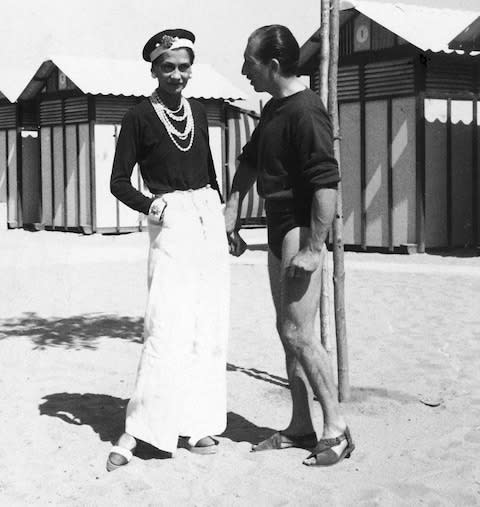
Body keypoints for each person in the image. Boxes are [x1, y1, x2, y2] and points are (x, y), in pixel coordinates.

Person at [224, 25, 355, 467]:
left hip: (301, 226)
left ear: (273, 65)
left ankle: (336, 429)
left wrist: (315, 247)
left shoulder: (307, 111)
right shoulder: (274, 109)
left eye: (250, 62)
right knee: (287, 333)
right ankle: (301, 426)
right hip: (278, 228)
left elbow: (326, 184)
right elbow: (248, 164)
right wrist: (230, 217)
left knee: (300, 332)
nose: (244, 70)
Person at [107, 28, 229, 471]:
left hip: (207, 219)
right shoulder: (138, 116)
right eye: (168, 67)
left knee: (206, 322)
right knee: (166, 324)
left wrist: (225, 221)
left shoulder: (197, 111)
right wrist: (152, 205)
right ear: (154, 70)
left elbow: (211, 174)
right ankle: (140, 431)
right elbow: (118, 181)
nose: (178, 75)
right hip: (171, 219)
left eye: (184, 67)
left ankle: (196, 423)